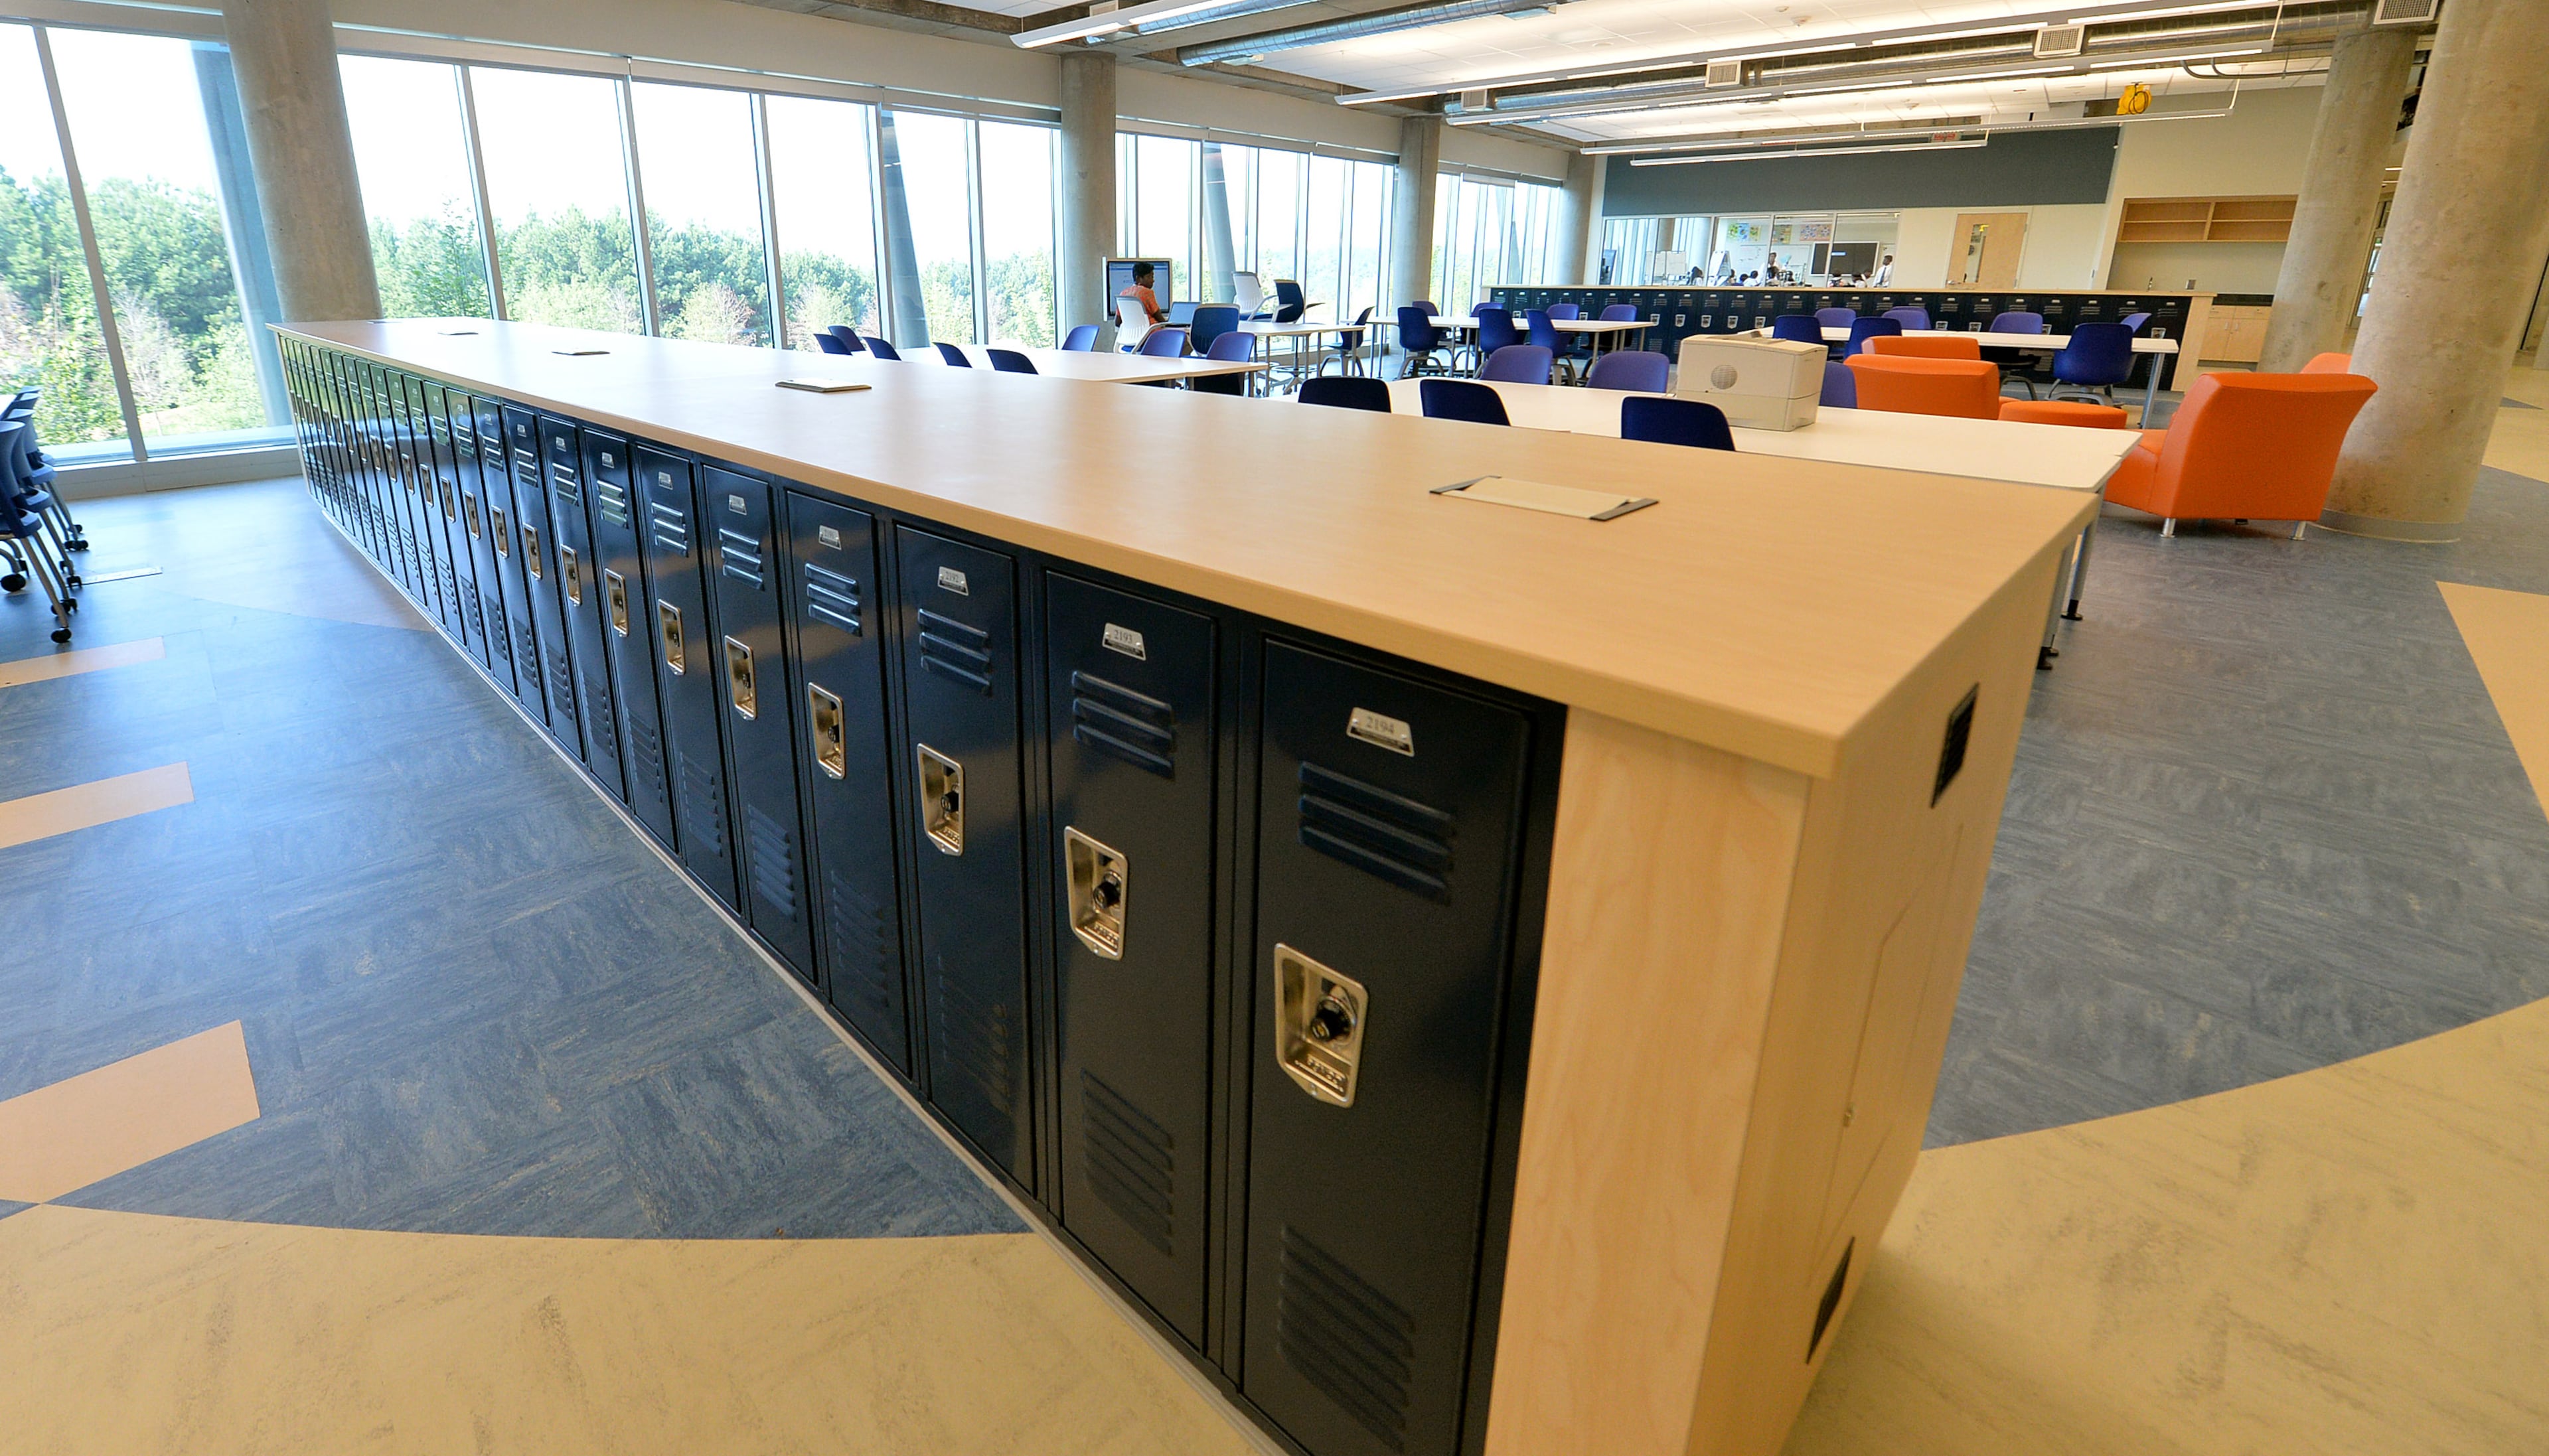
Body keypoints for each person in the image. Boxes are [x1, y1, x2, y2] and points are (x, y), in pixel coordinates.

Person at [1119, 262, 1166, 326]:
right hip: (1151, 332)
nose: (1153, 280)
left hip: (1131, 335)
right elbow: (1161, 320)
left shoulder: (1123, 294)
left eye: (1152, 277)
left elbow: (1117, 322)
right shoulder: (1147, 292)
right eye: (1149, 277)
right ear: (1138, 278)